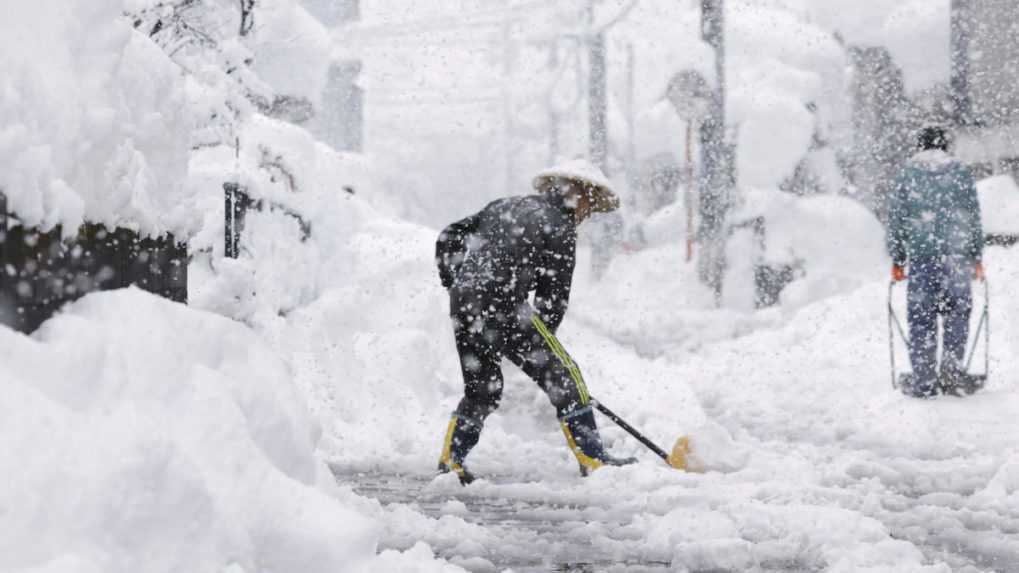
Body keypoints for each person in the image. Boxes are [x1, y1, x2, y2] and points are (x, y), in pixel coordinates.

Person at [434, 159, 636, 484]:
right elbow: (552, 299)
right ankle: (593, 459)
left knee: (482, 389)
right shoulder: (559, 225)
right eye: (589, 207)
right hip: (505, 304)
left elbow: (449, 236)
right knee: (567, 377)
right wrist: (542, 351)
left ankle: (451, 459)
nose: (587, 215)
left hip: (464, 304)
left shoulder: (504, 206)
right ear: (579, 195)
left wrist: (456, 282)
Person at [887, 125, 985, 398]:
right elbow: (972, 216)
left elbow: (896, 218)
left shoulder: (908, 175)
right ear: (945, 145)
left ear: (921, 146)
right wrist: (976, 256)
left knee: (921, 319)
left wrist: (898, 258)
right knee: (957, 316)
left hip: (922, 257)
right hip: (956, 258)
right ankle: (952, 376)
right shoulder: (960, 173)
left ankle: (924, 380)